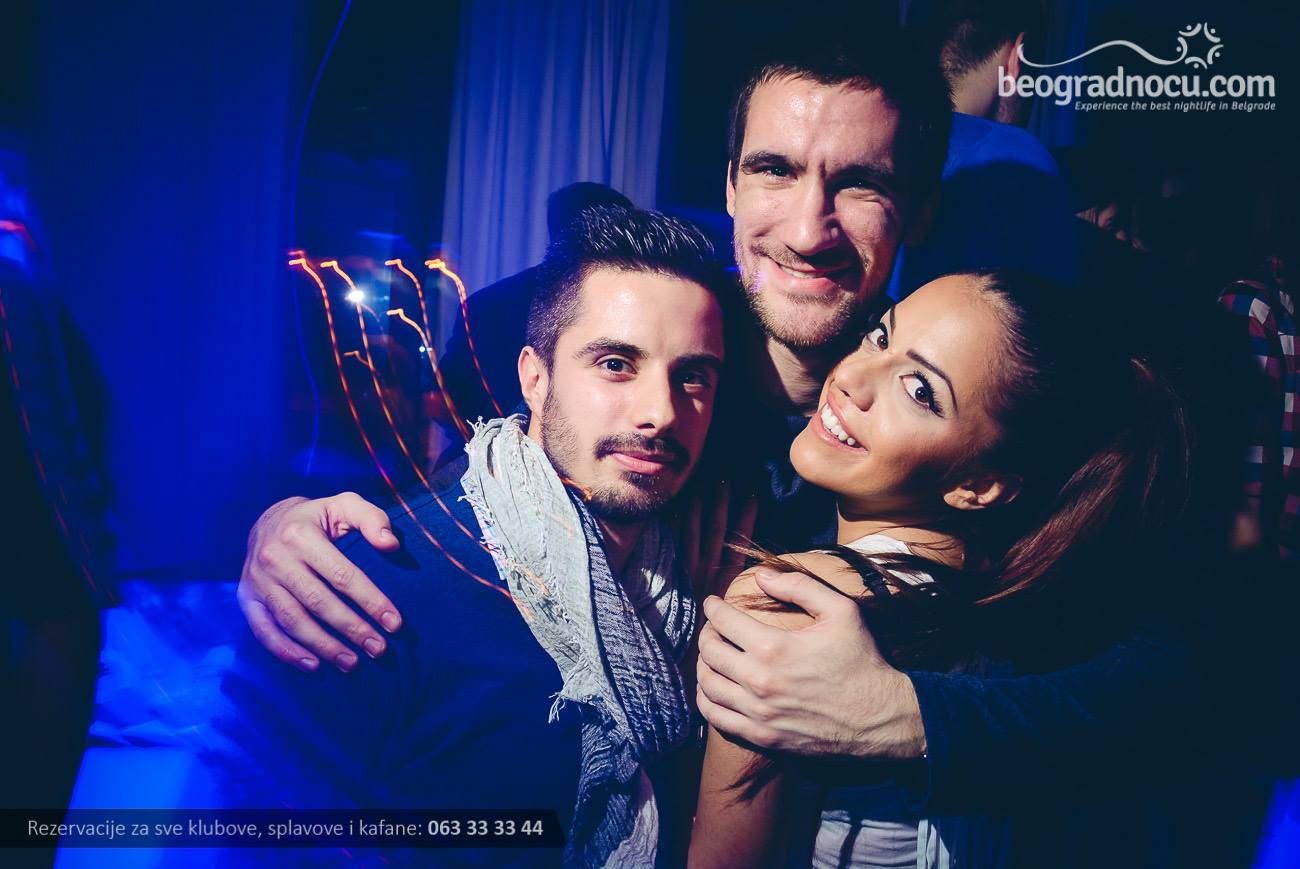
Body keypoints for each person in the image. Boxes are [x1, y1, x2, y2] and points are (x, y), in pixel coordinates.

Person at [236, 28, 1202, 833]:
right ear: (731, 185)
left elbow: (1177, 671)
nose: (809, 228)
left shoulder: (962, 416)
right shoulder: (609, 317)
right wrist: (286, 522)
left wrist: (906, 715)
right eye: (775, 170)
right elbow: (475, 484)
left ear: (920, 212)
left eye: (861, 183)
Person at [215, 204, 731, 866]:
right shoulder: (363, 585)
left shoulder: (688, 591)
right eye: (615, 363)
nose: (661, 411)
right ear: (535, 379)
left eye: (692, 376)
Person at [689, 269, 1188, 867]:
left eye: (919, 391)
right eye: (879, 337)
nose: (850, 378)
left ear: (979, 485)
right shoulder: (1010, 589)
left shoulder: (791, 607)